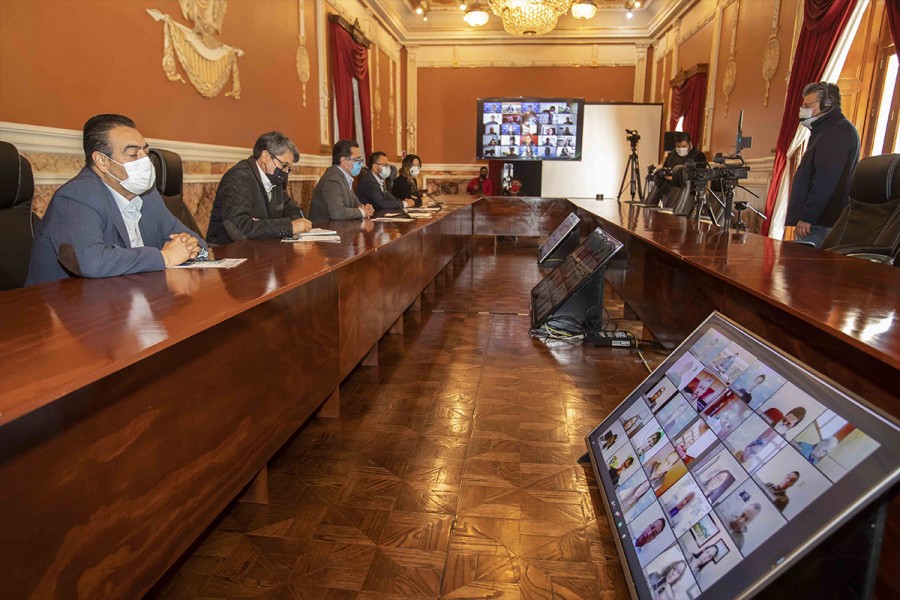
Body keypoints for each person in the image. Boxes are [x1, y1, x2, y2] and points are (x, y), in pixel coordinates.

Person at [26, 114, 205, 285]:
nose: (145, 162)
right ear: (101, 161)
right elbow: (91, 261)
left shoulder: (148, 194)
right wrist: (164, 257)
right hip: (63, 307)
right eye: (133, 155)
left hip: (130, 296)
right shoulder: (76, 196)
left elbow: (195, 241)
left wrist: (189, 246)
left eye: (146, 151)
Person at [786, 82, 860, 248]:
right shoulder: (824, 130)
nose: (802, 109)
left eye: (807, 105)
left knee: (802, 270)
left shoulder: (837, 131)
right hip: (817, 222)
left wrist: (808, 217)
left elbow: (826, 180)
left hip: (820, 223)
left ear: (827, 104)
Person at [206, 131, 310, 244]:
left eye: (288, 168)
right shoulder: (238, 178)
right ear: (265, 156)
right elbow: (241, 228)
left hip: (260, 249)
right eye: (284, 165)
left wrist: (297, 223)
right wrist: (289, 227)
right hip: (227, 252)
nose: (285, 172)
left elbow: (291, 210)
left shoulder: (275, 180)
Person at [309, 140, 374, 222]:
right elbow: (337, 212)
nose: (360, 164)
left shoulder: (345, 178)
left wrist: (366, 208)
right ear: (343, 161)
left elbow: (355, 204)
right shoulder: (332, 180)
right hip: (325, 230)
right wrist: (362, 212)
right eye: (357, 160)